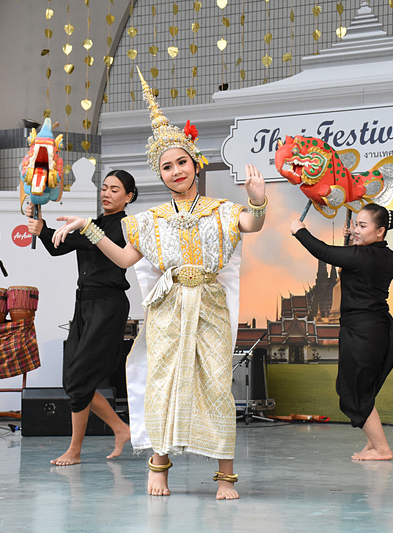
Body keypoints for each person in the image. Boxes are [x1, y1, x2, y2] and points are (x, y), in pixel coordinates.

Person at [50, 72, 266, 499]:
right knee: (163, 382)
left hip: (210, 306)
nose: (176, 171)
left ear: (194, 162)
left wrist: (258, 199)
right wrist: (89, 230)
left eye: (181, 162)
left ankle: (225, 476)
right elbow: (126, 258)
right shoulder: (149, 222)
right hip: (168, 309)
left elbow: (251, 225)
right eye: (167, 167)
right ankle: (159, 466)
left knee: (216, 383)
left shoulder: (222, 210)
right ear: (160, 175)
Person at [25, 170, 136, 465]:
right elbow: (57, 246)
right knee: (74, 382)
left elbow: (107, 246)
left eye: (115, 189)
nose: (107, 193)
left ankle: (75, 450)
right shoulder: (93, 225)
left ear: (129, 197)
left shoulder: (126, 226)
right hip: (83, 303)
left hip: (109, 305)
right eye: (104, 188)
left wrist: (84, 228)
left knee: (80, 379)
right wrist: (41, 227)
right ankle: (120, 428)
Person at [290, 203, 393, 461]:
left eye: (363, 226)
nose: (356, 229)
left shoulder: (362, 257)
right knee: (359, 389)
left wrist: (300, 231)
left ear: (380, 231)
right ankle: (374, 444)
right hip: (376, 329)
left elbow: (325, 252)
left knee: (354, 392)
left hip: (362, 332)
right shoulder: (387, 256)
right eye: (355, 224)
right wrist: (354, 240)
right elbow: (354, 263)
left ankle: (382, 448)